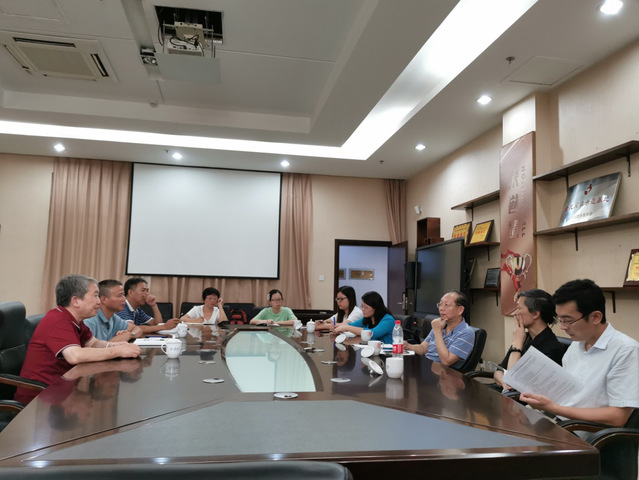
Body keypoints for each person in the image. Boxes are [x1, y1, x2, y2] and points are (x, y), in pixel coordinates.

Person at [519, 279, 639, 427]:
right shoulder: (577, 344)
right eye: (560, 319)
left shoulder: (625, 350)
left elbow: (618, 417)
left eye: (568, 320)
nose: (563, 327)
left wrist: (554, 408)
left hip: (579, 431)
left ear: (596, 317)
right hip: (555, 420)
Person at [18, 275, 142, 390]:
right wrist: (117, 351)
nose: (99, 302)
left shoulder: (75, 320)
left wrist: (118, 345)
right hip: (41, 394)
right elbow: (75, 356)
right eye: (95, 296)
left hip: (62, 387)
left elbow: (94, 343)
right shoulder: (58, 320)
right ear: (76, 301)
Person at [493, 289, 565, 391]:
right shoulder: (525, 337)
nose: (515, 313)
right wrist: (504, 383)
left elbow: (515, 383)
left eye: (519, 308)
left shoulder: (552, 348)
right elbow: (498, 371)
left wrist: (517, 346)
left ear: (535, 314)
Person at [403, 291, 474, 369]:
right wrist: (408, 346)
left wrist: (437, 331)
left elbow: (446, 361)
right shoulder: (440, 325)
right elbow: (423, 348)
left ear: (460, 310)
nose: (441, 308)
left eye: (446, 305)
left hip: (442, 373)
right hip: (426, 366)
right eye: (440, 304)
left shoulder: (466, 332)